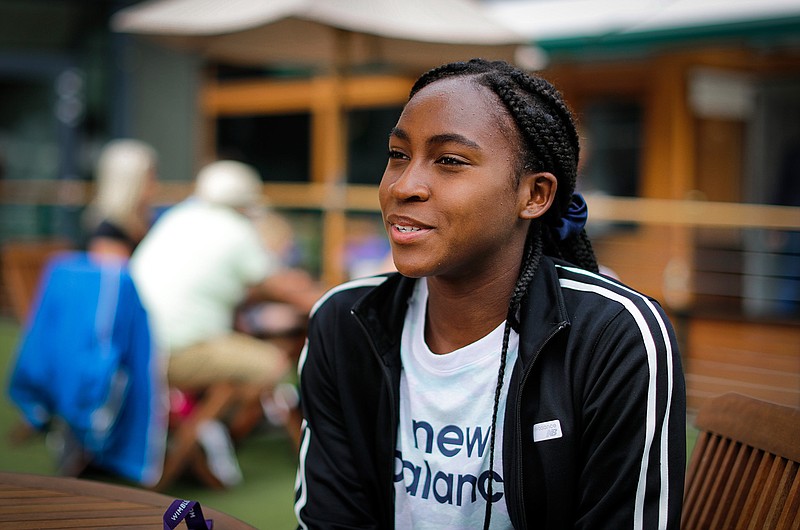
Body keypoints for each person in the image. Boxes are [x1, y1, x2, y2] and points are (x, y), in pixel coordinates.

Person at [294, 59, 686, 529]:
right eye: (398, 154)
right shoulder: (347, 320)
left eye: (450, 161)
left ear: (534, 195)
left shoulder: (614, 337)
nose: (404, 185)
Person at [130, 160, 322, 482]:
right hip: (175, 353)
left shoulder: (178, 217)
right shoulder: (236, 231)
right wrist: (327, 293)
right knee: (271, 361)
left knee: (245, 355)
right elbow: (281, 287)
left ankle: (219, 431)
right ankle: (217, 433)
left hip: (138, 345)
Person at [83, 139, 159, 259]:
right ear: (131, 184)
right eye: (150, 178)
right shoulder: (108, 234)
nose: (155, 185)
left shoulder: (147, 222)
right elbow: (116, 275)